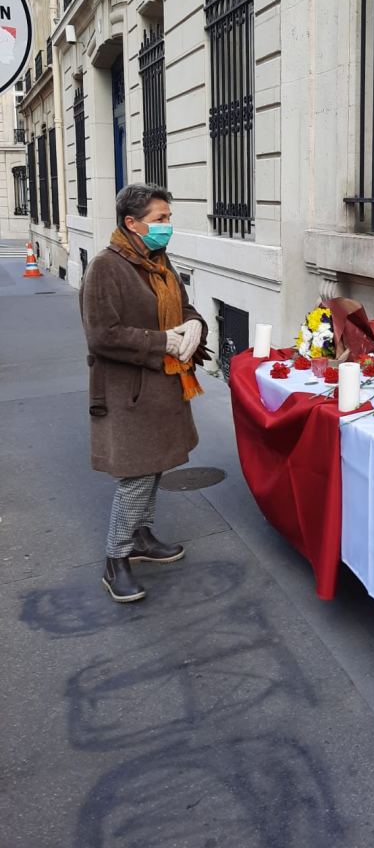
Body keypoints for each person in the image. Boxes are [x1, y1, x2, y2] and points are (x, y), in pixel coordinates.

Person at [80, 184, 208, 603]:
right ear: (131, 223)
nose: (167, 227)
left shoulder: (157, 260)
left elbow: (183, 307)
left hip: (163, 385)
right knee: (135, 475)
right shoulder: (105, 267)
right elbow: (102, 336)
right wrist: (163, 343)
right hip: (127, 392)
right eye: (160, 220)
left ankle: (140, 537)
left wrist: (194, 327)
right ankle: (114, 560)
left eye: (168, 218)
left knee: (153, 468)